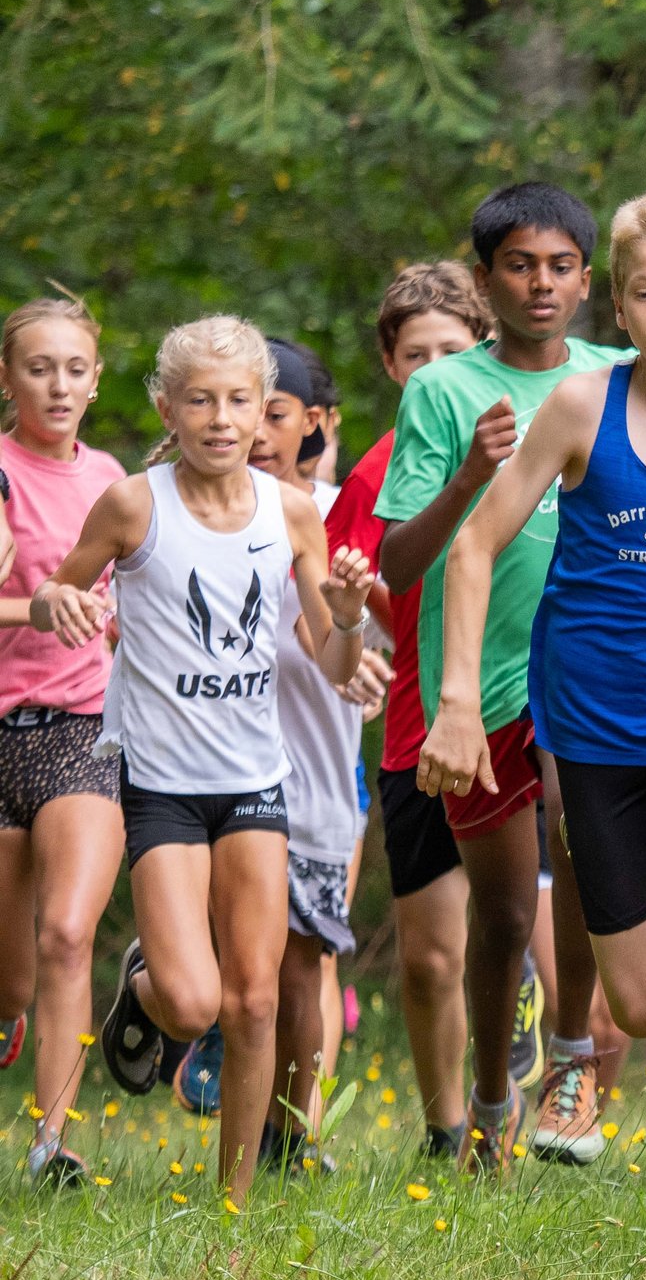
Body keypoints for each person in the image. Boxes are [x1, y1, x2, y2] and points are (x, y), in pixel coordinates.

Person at [421, 186, 646, 1266]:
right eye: (644, 293)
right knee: (645, 999)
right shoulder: (584, 407)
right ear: (617, 305)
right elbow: (478, 548)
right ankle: (603, 1061)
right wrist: (456, 703)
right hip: (593, 739)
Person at [58, 316, 373, 1201]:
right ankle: (148, 985)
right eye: (201, 399)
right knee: (194, 1004)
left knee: (256, 999)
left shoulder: (293, 513)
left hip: (256, 783)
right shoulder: (134, 503)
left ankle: (234, 1200)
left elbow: (337, 663)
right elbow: (58, 585)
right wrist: (60, 608)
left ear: (273, 413)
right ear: (168, 405)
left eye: (242, 400)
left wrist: (347, 614)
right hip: (161, 786)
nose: (223, 418)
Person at [377, 184, 629, 1170]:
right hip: (474, 681)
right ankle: (489, 1097)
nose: (541, 284)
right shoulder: (443, 392)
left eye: (561, 266)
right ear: (486, 280)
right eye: (520, 265)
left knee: (580, 832)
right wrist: (470, 477)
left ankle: (569, 1054)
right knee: (503, 915)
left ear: (586, 280)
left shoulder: (622, 373)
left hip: (590, 665)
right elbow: (399, 565)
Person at [174, 340, 390, 1169]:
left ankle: (294, 1136)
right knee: (242, 964)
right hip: (212, 774)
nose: (257, 429)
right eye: (242, 408)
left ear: (312, 422)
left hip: (322, 777)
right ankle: (194, 1031)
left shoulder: (338, 515)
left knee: (306, 967)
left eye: (275, 411)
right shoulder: (193, 507)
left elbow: (377, 617)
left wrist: (369, 645)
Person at [324, 261, 496, 1156]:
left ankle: (521, 1096)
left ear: (485, 349)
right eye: (416, 355)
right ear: (393, 366)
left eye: (453, 351)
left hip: (531, 718)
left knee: (517, 928)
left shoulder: (539, 440)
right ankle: (445, 1125)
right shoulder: (374, 474)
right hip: (415, 725)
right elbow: (343, 597)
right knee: (433, 957)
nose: (434, 370)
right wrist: (353, 609)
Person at [0, 299, 126, 1185]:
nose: (58, 384)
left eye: (74, 368)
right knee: (9, 975)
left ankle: (52, 1143)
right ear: (7, 378)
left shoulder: (113, 479)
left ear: (95, 380)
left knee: (69, 933)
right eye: (38, 366)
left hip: (84, 729)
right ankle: (7, 1013)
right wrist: (35, 599)